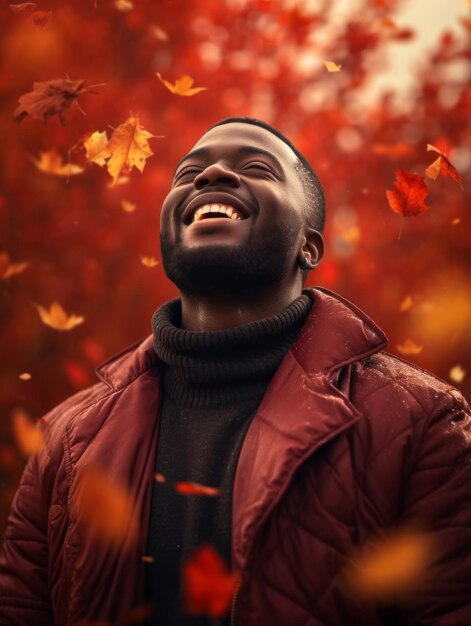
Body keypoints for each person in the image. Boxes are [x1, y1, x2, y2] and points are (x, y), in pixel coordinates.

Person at [1, 117, 470, 626]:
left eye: (256, 167)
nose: (211, 176)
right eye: (188, 174)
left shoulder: (419, 423)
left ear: (308, 247)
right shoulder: (67, 438)